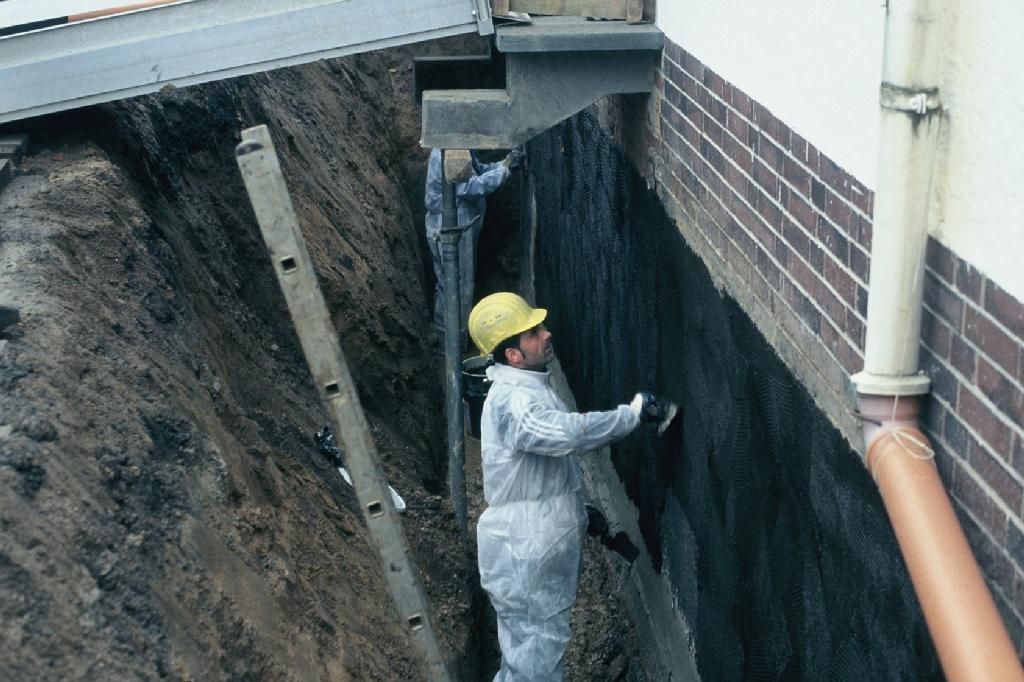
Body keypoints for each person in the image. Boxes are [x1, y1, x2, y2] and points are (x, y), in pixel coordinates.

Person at [467, 292, 669, 681]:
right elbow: (567, 435)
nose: (547, 333)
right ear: (513, 355)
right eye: (533, 332)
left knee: (524, 657)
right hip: (527, 552)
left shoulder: (524, 389)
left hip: (524, 544)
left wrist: (577, 513)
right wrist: (631, 415)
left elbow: (533, 472)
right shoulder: (516, 402)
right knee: (536, 662)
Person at [424, 148, 523, 343]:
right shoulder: (448, 153)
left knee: (451, 283)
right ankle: (451, 345)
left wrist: (504, 163)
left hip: (454, 224)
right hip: (451, 225)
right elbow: (470, 187)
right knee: (457, 286)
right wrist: (504, 171)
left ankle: (448, 338)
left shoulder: (457, 147)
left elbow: (478, 170)